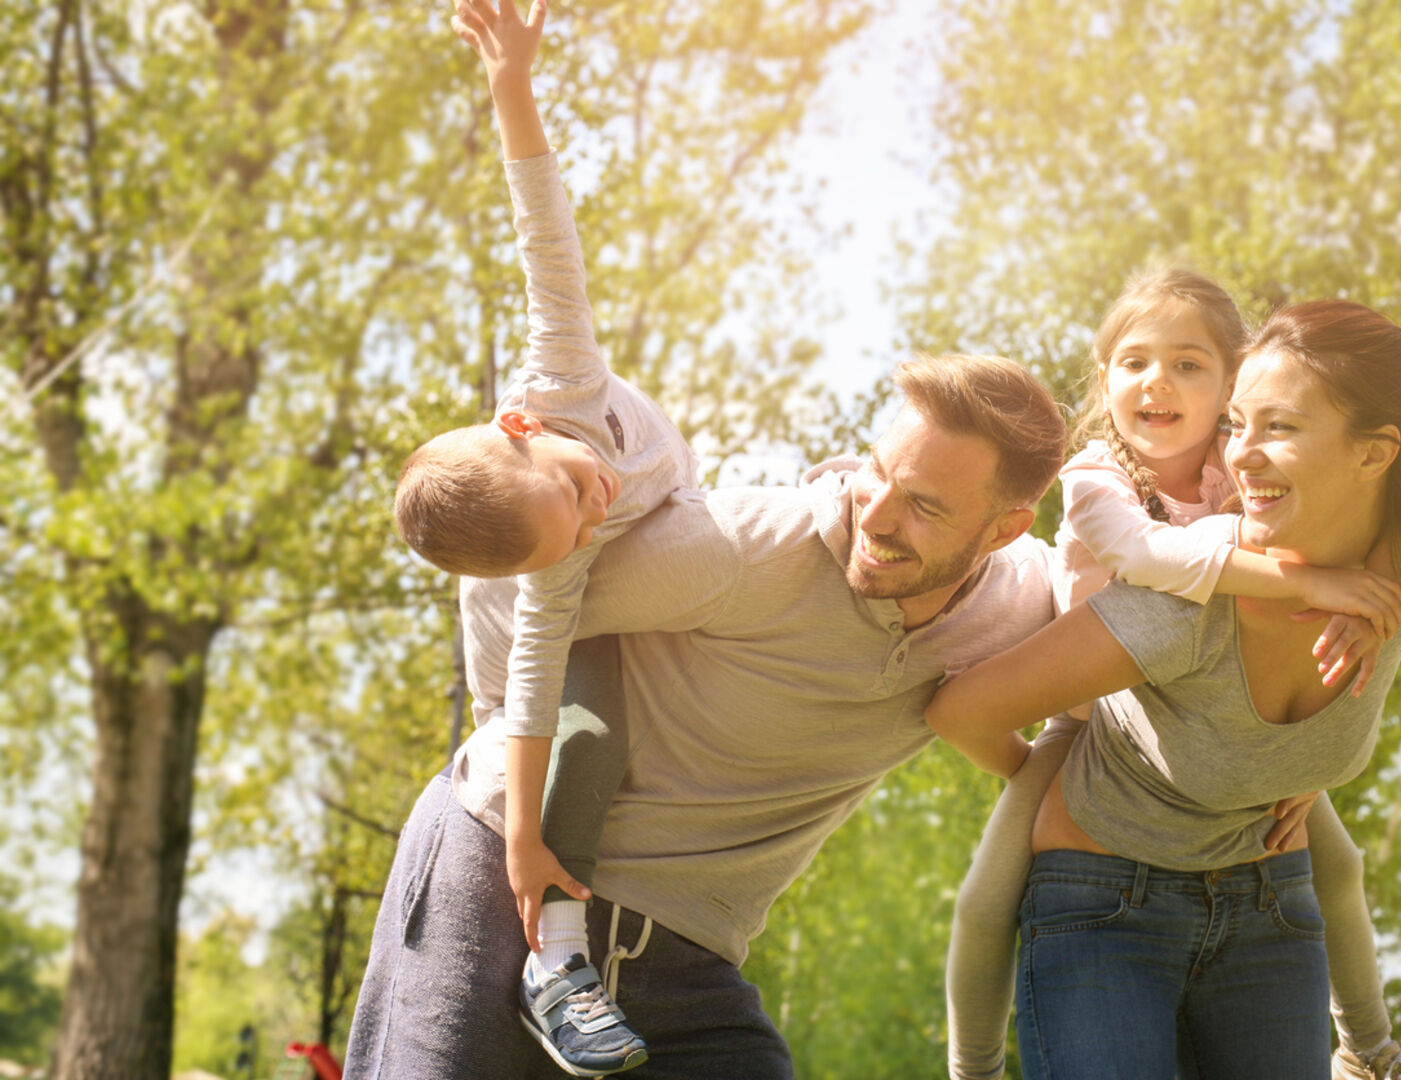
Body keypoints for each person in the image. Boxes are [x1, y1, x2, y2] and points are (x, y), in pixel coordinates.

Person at [349, 320, 1072, 1079]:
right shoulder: (746, 548)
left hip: (685, 951)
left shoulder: (1023, 608)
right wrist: (515, 745)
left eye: (925, 506)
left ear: (1005, 529)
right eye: (878, 470)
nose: (879, 516)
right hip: (502, 875)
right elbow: (519, 581)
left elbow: (1136, 603)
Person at [927, 299, 1401, 1080]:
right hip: (1107, 899)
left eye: (1276, 427)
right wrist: (1038, 775)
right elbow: (960, 710)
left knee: (1339, 871)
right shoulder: (1187, 592)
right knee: (982, 903)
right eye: (1236, 426)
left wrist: (1374, 582)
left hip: (1270, 899)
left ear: (1376, 455)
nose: (1241, 457)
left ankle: (1371, 1056)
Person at [391, 0, 696, 1071]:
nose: (595, 506)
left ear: (524, 426)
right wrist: (523, 842)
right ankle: (555, 963)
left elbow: (541, 225)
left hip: (544, 581)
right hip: (509, 643)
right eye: (570, 525)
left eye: (573, 489)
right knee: (586, 735)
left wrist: (511, 82)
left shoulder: (562, 368)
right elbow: (528, 687)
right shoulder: (551, 564)